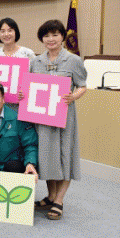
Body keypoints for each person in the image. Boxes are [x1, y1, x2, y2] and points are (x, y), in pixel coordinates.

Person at [27, 19, 87, 220]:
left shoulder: (73, 60)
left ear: (62, 36)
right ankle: (51, 196)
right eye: (46, 35)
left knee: (64, 156)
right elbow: (30, 86)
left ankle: (59, 200)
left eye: (55, 34)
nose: (50, 39)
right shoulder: (36, 62)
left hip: (64, 116)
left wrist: (74, 96)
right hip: (41, 117)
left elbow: (82, 85)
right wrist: (23, 94)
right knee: (46, 157)